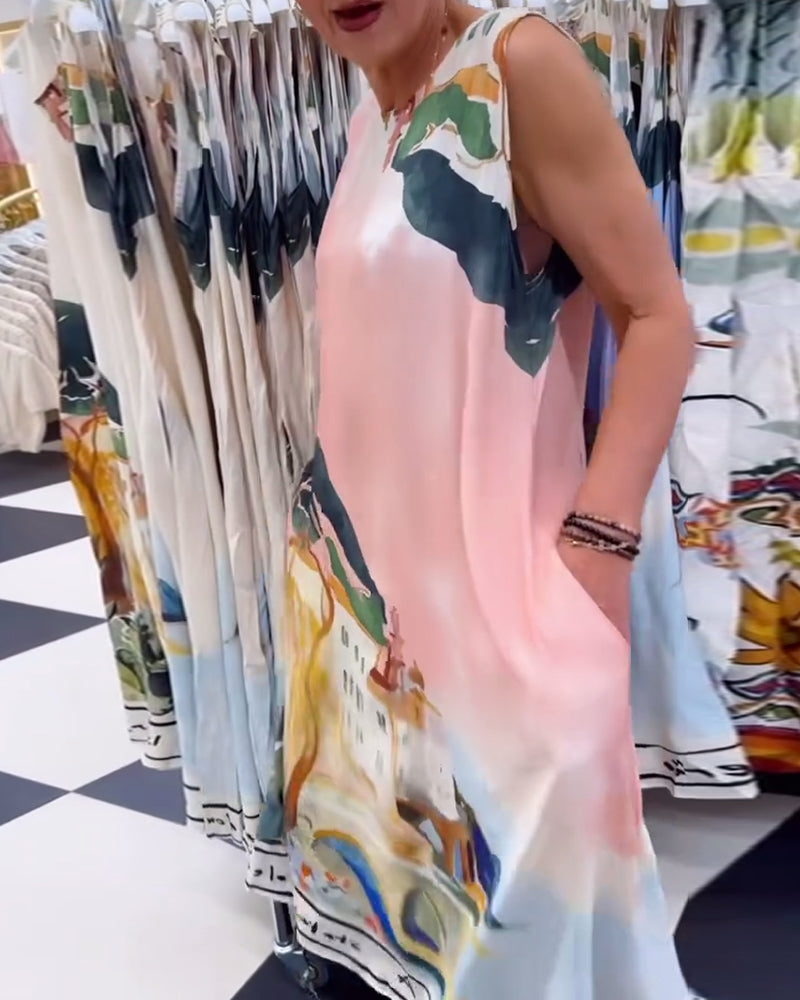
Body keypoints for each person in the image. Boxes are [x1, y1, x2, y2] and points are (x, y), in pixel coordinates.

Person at [280, 2, 695, 998]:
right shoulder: (370, 110)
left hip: (502, 619)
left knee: (531, 930)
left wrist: (598, 546)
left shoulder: (516, 63)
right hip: (364, 617)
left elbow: (656, 316)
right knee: (425, 926)